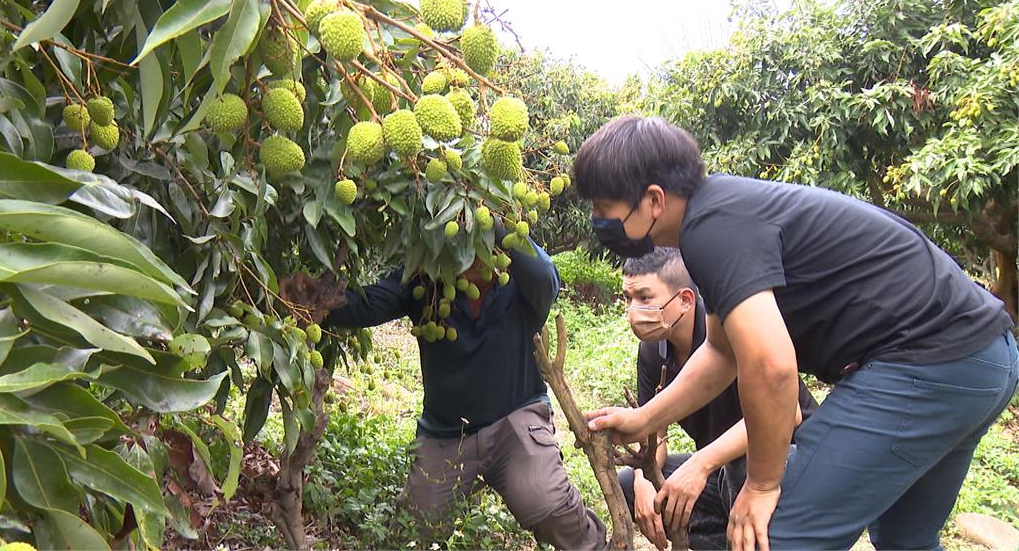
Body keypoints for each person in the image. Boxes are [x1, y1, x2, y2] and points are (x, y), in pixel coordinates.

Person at [574, 115, 1018, 550]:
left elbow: (771, 366)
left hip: (930, 359)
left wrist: (763, 486)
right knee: (905, 538)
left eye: (603, 208)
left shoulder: (713, 229)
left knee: (777, 533)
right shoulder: (721, 215)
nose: (598, 220)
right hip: (985, 358)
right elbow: (722, 353)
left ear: (653, 199)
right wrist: (645, 418)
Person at [307, 229, 606, 550]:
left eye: (486, 245)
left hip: (515, 421)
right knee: (414, 535)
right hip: (446, 434)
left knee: (547, 504)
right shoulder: (425, 282)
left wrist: (497, 222)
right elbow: (366, 306)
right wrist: (313, 298)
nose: (476, 257)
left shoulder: (521, 286)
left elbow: (546, 276)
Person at [617, 247, 818, 550]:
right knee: (629, 485)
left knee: (740, 464)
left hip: (790, 463)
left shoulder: (732, 330)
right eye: (628, 298)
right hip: (724, 474)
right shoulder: (653, 352)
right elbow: (653, 437)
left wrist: (701, 464)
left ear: (685, 299)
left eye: (645, 298)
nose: (634, 310)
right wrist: (643, 478)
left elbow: (787, 415)